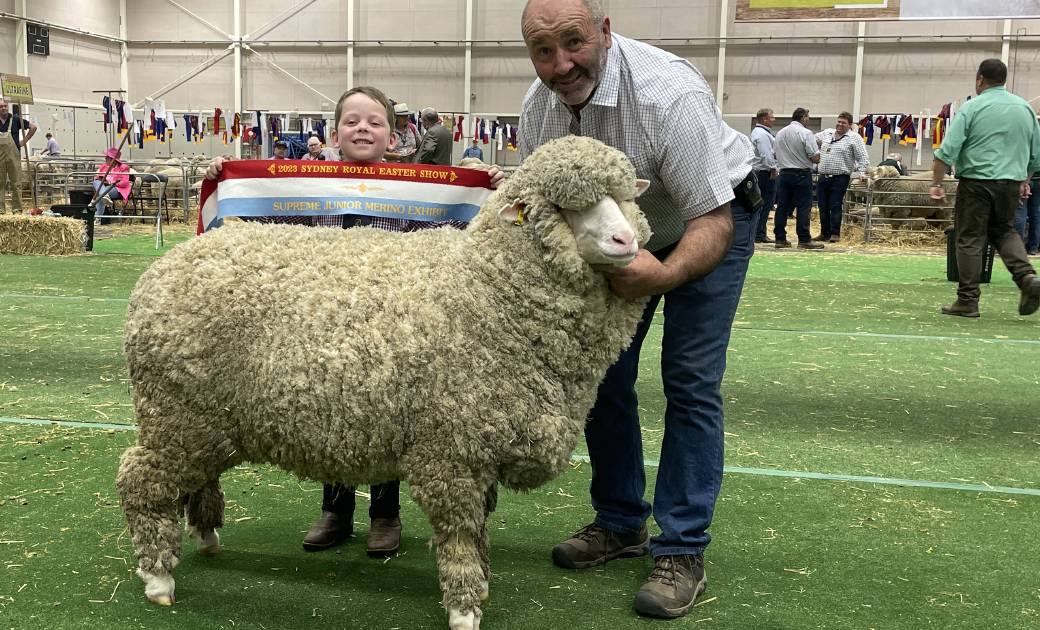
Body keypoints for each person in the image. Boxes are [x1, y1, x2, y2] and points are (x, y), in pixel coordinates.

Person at [518, 0, 757, 619]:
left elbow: (713, 218)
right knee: (604, 376)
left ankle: (681, 548)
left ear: (604, 30)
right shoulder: (537, 109)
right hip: (618, 240)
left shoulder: (666, 95)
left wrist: (666, 273)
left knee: (690, 379)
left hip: (707, 225)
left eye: (573, 42)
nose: (560, 64)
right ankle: (621, 521)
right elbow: (540, 213)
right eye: (543, 51)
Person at [205, 85, 502, 558]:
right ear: (335, 132)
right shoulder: (300, 184)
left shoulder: (419, 188)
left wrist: (488, 185)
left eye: (375, 122)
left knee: (385, 411)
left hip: (389, 324)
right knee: (329, 407)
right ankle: (335, 511)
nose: (363, 128)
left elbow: (460, 235)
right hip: (322, 321)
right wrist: (228, 180)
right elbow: (265, 226)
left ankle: (386, 515)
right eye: (352, 121)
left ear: (393, 136)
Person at [930, 58, 1040, 318]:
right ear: (1003, 80)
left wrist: (937, 183)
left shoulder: (972, 107)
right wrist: (1024, 180)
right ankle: (1026, 278)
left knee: (969, 238)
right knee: (1005, 230)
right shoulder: (1024, 108)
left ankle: (967, 300)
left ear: (979, 79)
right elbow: (1036, 155)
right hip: (1011, 183)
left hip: (976, 183)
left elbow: (947, 151)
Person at [813, 112, 870, 243]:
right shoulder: (827, 133)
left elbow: (863, 157)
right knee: (822, 206)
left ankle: (835, 233)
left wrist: (862, 172)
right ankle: (824, 233)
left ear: (850, 125)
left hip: (840, 177)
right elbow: (811, 140)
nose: (840, 124)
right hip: (823, 176)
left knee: (835, 205)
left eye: (843, 123)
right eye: (839, 121)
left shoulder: (854, 138)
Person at [773, 107, 823, 249]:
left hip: (784, 174)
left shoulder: (780, 133)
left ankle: (780, 239)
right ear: (803, 117)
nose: (809, 120)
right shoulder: (806, 133)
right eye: (808, 117)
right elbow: (815, 157)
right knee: (803, 207)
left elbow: (775, 154)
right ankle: (804, 239)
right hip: (801, 174)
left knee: (782, 207)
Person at [0, 98, 37, 214]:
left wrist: (23, 141)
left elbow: (33, 127)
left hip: (14, 155)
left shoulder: (16, 119)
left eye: (5, 106)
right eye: (1, 106)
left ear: (8, 106)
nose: (4, 108)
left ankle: (17, 209)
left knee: (16, 183)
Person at [750, 108, 778, 243]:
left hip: (761, 171)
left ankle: (758, 232)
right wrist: (773, 168)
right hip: (764, 172)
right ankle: (759, 234)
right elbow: (765, 154)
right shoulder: (762, 134)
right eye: (772, 117)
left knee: (762, 204)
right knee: (765, 203)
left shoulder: (760, 132)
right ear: (765, 119)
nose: (774, 119)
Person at [92, 147, 132, 222]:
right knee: (96, 182)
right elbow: (98, 177)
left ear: (112, 159)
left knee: (100, 194)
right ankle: (105, 196)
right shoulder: (103, 166)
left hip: (118, 189)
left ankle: (97, 218)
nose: (105, 158)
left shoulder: (123, 168)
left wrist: (112, 182)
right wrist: (102, 180)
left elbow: (125, 182)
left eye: (107, 157)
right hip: (104, 187)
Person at [1014, 173, 1040, 256]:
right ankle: (1034, 247)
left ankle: (1017, 247)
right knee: (1036, 213)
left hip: (1021, 178)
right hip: (1038, 179)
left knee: (1020, 212)